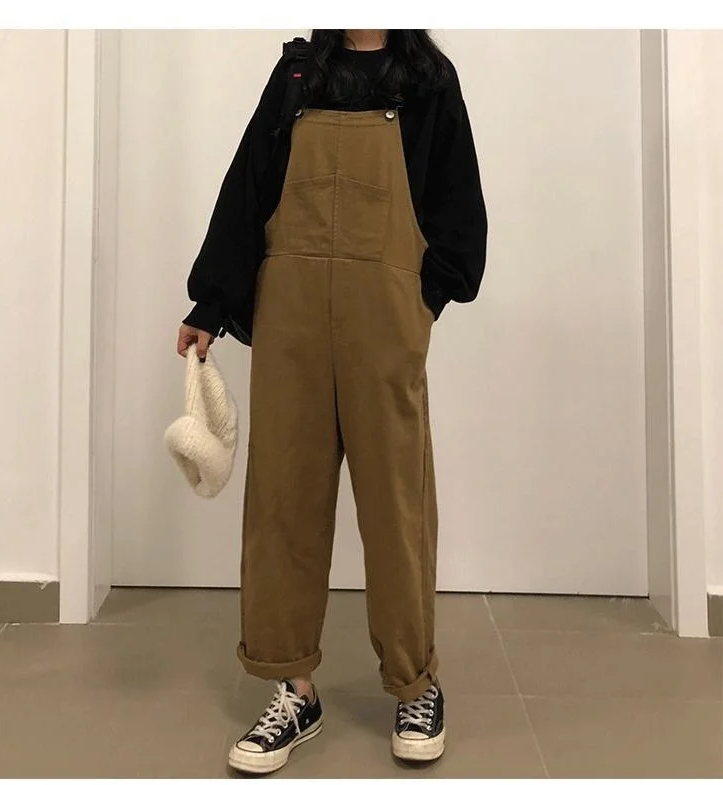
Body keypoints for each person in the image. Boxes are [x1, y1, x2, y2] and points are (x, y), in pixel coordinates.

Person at [177, 29, 487, 775]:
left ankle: (416, 684)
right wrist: (210, 303)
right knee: (283, 500)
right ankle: (293, 687)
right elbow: (249, 188)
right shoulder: (297, 75)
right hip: (291, 317)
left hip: (386, 317)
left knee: (396, 506)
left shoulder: (428, 80)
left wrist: (418, 299)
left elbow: (457, 208)